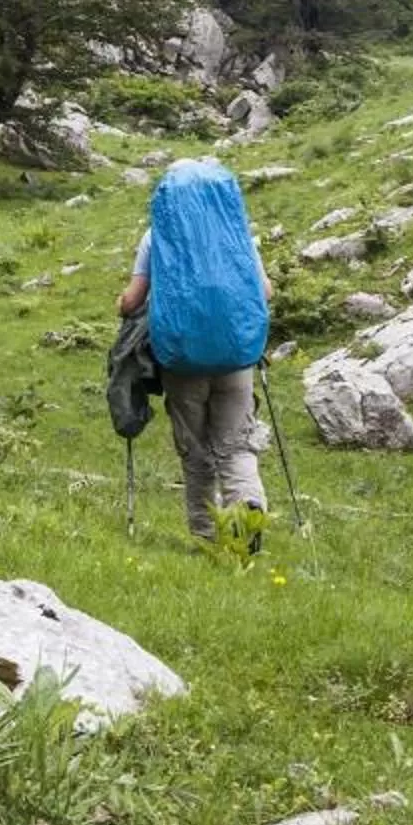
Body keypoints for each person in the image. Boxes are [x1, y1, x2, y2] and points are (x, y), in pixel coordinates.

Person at [116, 159, 269, 544]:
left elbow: (133, 301)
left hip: (182, 357)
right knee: (236, 442)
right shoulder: (237, 234)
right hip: (236, 356)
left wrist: (123, 304)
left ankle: (206, 535)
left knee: (195, 447)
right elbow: (265, 292)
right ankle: (247, 507)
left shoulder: (157, 236)